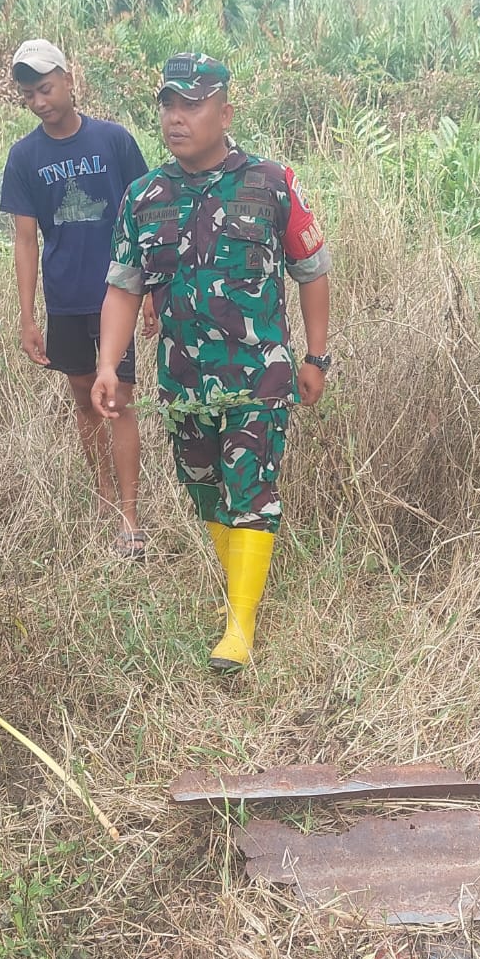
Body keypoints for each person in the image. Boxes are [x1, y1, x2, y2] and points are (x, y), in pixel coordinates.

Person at [93, 53, 332, 672]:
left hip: (260, 374)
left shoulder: (271, 182)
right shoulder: (143, 196)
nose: (177, 117)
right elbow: (123, 287)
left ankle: (240, 629)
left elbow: (312, 269)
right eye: (168, 103)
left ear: (225, 112)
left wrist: (317, 355)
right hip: (183, 379)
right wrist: (107, 367)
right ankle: (239, 592)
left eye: (192, 104)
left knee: (251, 490)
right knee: (204, 490)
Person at [0, 39, 154, 557]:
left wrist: (151, 290)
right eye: (28, 95)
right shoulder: (24, 157)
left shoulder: (114, 141)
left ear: (69, 78)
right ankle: (103, 496)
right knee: (83, 400)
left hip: (120, 292)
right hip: (64, 298)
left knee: (119, 402)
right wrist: (27, 316)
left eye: (45, 88)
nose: (39, 101)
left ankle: (130, 516)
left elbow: (144, 220)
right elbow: (26, 239)